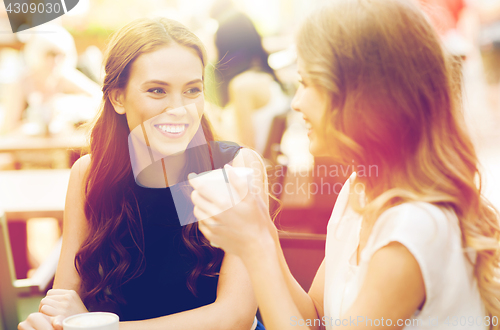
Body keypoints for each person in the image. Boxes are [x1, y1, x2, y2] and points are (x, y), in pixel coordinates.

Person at [189, 0, 500, 329]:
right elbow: (313, 316)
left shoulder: (414, 228)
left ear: (360, 98)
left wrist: (255, 246)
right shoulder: (360, 190)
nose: (296, 102)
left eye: (308, 83)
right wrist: (262, 226)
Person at [18, 17, 268, 330]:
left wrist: (93, 325)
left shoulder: (236, 168)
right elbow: (64, 299)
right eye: (157, 91)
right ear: (118, 97)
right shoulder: (89, 175)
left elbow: (235, 317)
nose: (178, 109)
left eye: (192, 90)